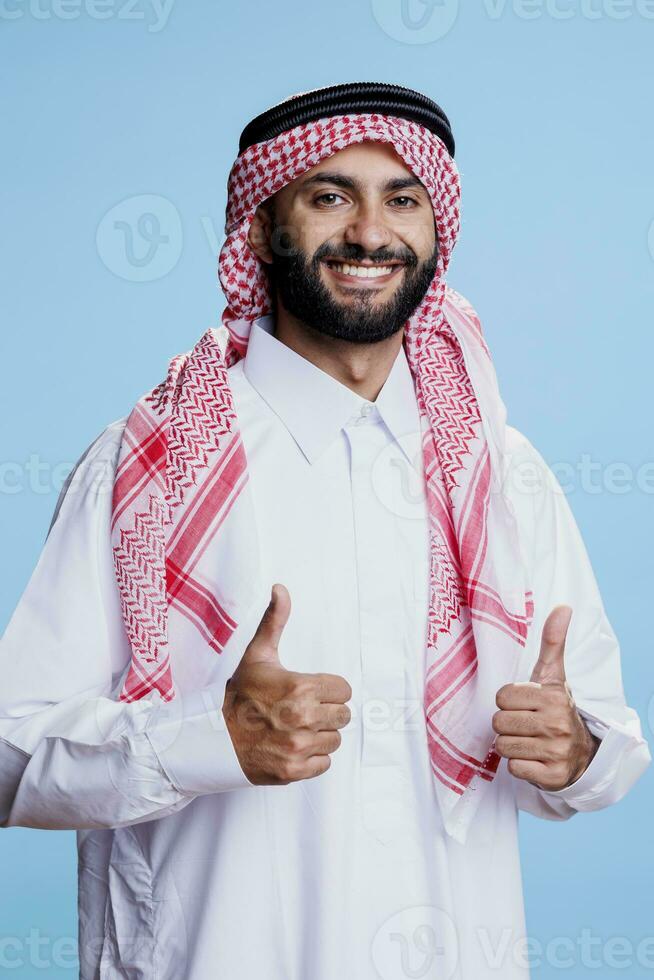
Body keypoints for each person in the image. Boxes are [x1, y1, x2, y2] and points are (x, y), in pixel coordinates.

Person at [0, 81, 649, 980]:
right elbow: (9, 751)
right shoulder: (148, 465)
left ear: (436, 228)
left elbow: (609, 744)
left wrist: (576, 751)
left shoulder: (502, 473)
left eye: (403, 199)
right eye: (330, 196)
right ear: (264, 229)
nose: (371, 234)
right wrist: (203, 740)